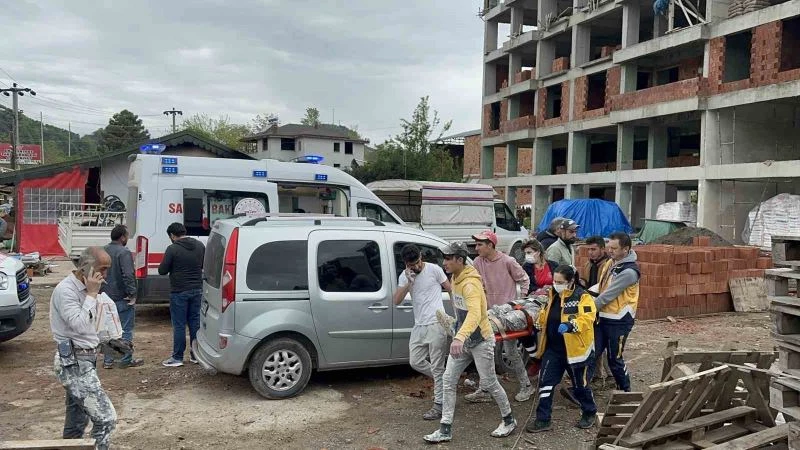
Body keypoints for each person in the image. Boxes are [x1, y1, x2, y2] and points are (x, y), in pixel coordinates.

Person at [424, 242, 516, 443]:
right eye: (444, 258)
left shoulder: (470, 284)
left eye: (448, 259)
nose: (444, 263)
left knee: (489, 383)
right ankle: (445, 429)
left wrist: (459, 337)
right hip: (465, 339)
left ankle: (509, 420)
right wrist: (456, 329)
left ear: (460, 260)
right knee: (448, 380)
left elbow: (475, 313)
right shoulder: (455, 278)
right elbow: (461, 311)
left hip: (481, 340)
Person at [50, 247, 117, 449]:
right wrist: (92, 294)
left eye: (107, 269)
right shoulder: (66, 291)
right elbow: (78, 324)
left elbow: (90, 326)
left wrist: (108, 342)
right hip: (73, 362)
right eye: (102, 269)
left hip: (85, 359)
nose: (105, 274)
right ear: (85, 267)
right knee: (106, 419)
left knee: (77, 420)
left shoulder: (89, 288)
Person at [526, 265, 597, 433]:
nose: (556, 285)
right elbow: (545, 314)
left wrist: (571, 325)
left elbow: (588, 318)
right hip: (554, 349)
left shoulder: (582, 296)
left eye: (560, 282)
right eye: (554, 281)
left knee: (580, 386)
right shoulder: (552, 295)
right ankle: (543, 419)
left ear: (570, 281)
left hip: (576, 351)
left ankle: (589, 412)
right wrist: (538, 323)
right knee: (546, 383)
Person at [469, 230, 534, 403]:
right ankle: (485, 389)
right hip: (489, 314)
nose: (476, 248)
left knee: (511, 352)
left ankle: (526, 386)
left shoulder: (508, 261)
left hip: (507, 315)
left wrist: (518, 303)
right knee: (485, 352)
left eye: (479, 244)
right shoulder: (477, 262)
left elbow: (524, 279)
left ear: (490, 245)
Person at [393, 244, 451, 421]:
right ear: (406, 263)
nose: (416, 266)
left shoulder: (434, 269)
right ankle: (446, 381)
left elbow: (450, 288)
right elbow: (396, 300)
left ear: (421, 257)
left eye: (418, 262)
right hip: (419, 325)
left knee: (437, 365)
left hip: (436, 322)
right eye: (412, 265)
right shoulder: (405, 276)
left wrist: (457, 314)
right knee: (415, 361)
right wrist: (408, 282)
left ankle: (439, 404)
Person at [588, 232, 640, 392]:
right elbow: (602, 285)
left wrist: (587, 309)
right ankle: (582, 390)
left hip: (619, 321)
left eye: (614, 248)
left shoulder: (629, 272)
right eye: (609, 247)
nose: (609, 251)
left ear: (625, 249)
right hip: (603, 317)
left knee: (614, 358)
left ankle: (625, 391)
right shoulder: (611, 262)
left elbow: (608, 295)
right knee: (591, 354)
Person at [159, 222, 205, 367]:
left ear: (172, 235)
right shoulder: (200, 246)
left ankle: (177, 357)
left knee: (179, 325)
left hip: (179, 291)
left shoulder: (172, 249)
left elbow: (162, 270)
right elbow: (203, 265)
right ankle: (196, 355)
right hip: (197, 289)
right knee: (195, 323)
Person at [102, 225, 143, 369]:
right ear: (122, 237)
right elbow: (128, 274)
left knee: (108, 329)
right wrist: (132, 294)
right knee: (125, 329)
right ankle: (125, 359)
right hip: (121, 297)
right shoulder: (124, 252)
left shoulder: (103, 250)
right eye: (127, 236)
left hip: (104, 297)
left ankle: (108, 360)